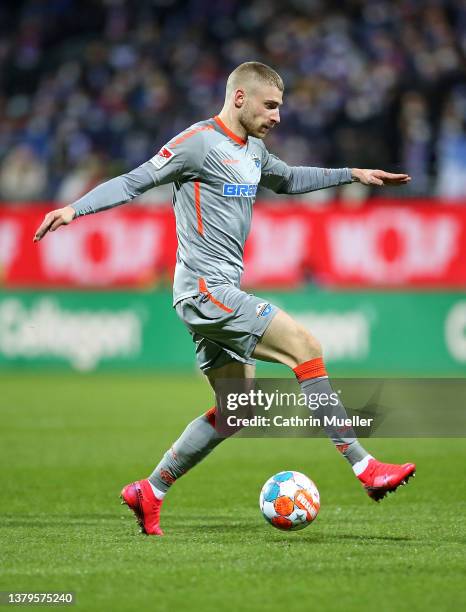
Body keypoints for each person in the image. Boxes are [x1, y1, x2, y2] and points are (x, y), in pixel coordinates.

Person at [33, 62, 415, 536]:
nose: (277, 116)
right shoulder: (197, 143)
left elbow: (289, 179)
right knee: (306, 348)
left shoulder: (253, 149)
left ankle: (150, 489)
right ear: (240, 98)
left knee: (237, 410)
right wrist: (74, 208)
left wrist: (352, 174)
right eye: (270, 105)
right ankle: (365, 467)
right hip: (205, 289)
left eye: (281, 107)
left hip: (211, 292)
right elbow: (134, 181)